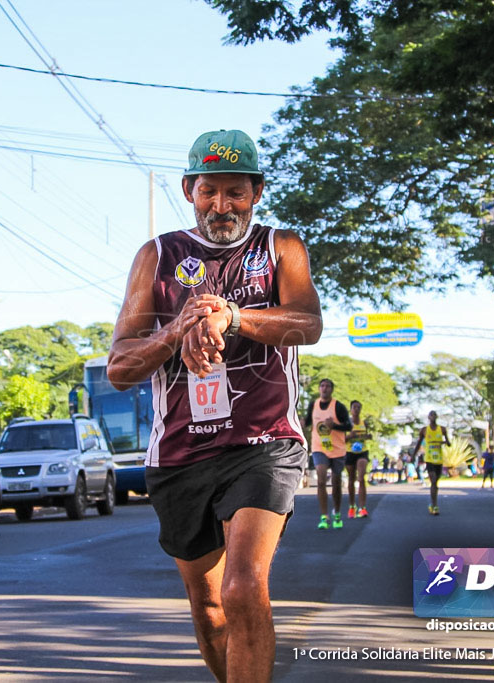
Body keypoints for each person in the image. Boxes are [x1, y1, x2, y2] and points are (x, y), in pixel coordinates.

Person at [106, 129, 322, 683]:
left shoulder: (281, 248)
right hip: (180, 453)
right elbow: (120, 367)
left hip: (263, 442)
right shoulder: (157, 256)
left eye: (235, 192)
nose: (221, 206)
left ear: (256, 192)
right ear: (188, 190)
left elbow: (308, 324)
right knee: (208, 607)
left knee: (244, 586)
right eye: (209, 192)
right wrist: (178, 329)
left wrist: (231, 316)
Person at [305, 378, 351, 529]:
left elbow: (348, 426)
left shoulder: (338, 406)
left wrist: (335, 426)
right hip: (319, 448)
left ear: (332, 389)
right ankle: (324, 516)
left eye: (328, 386)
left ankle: (336, 513)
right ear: (319, 389)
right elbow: (306, 422)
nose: (324, 388)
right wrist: (299, 422)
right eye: (322, 386)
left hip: (337, 449)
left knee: (336, 483)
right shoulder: (313, 405)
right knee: (321, 480)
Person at [412, 410, 450, 515]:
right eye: (431, 415)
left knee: (435, 483)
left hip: (439, 459)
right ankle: (434, 505)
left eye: (434, 415)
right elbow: (419, 442)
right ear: (428, 417)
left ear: (437, 417)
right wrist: (413, 455)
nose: (433, 417)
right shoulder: (424, 430)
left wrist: (445, 442)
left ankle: (433, 503)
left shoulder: (442, 429)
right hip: (429, 459)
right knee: (433, 481)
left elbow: (449, 443)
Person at [344, 400, 371, 519]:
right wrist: (350, 436)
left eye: (358, 407)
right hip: (349, 452)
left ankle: (363, 508)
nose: (356, 409)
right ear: (351, 409)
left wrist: (368, 437)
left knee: (361, 478)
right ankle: (352, 506)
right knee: (351, 479)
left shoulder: (364, 423)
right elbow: (340, 439)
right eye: (354, 407)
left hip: (362, 452)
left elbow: (366, 436)